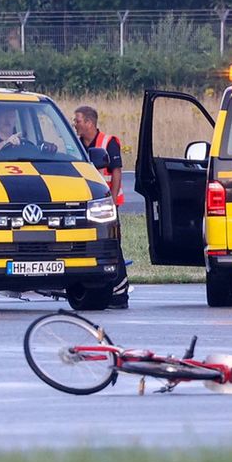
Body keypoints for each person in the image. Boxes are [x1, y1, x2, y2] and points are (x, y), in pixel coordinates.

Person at [73, 106, 129, 309]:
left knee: (113, 247)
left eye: (77, 120)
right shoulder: (76, 144)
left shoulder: (108, 142)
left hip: (106, 205)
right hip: (86, 205)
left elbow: (116, 172)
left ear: (89, 122)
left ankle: (120, 294)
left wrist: (112, 202)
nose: (75, 124)